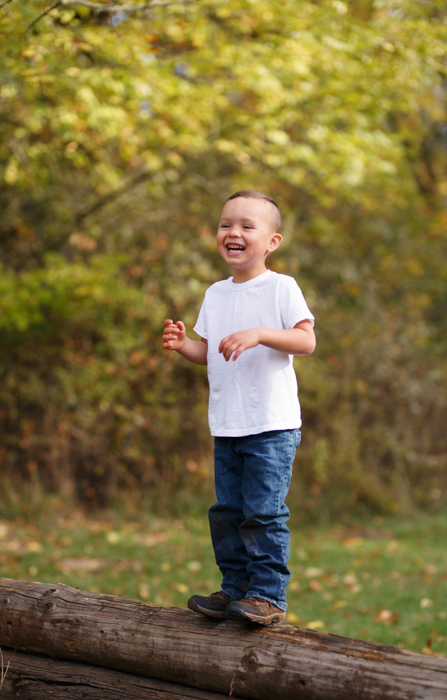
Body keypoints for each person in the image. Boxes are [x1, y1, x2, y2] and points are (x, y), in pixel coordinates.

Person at [162, 190, 315, 625]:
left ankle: (268, 596)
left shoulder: (281, 288)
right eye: (226, 224)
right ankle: (234, 590)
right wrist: (183, 345)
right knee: (227, 512)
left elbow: (306, 341)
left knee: (263, 511)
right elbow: (211, 351)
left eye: (248, 226)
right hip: (227, 425)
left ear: (272, 241)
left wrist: (261, 333)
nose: (234, 232)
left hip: (271, 424)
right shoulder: (215, 294)